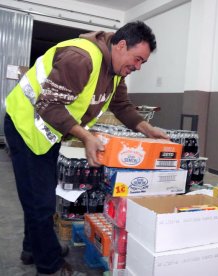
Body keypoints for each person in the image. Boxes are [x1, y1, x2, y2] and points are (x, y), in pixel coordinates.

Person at [4, 21, 168, 275]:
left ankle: (32, 248)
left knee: (38, 193)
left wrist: (148, 130)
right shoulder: (81, 58)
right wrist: (86, 136)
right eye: (137, 59)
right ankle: (50, 266)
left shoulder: (115, 71)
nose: (137, 67)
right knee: (40, 201)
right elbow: (48, 105)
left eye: (142, 63)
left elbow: (122, 105)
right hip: (25, 126)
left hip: (48, 132)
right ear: (122, 45)